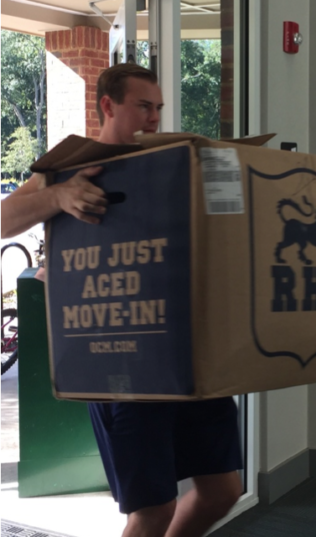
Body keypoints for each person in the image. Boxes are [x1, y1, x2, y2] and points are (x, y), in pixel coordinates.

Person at [1, 63, 243, 537]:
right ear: (109, 106)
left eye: (158, 108)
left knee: (223, 492)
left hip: (192, 353)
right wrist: (60, 198)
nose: (153, 118)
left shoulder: (177, 160)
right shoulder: (70, 168)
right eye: (143, 107)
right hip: (124, 363)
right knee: (152, 511)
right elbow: (4, 219)